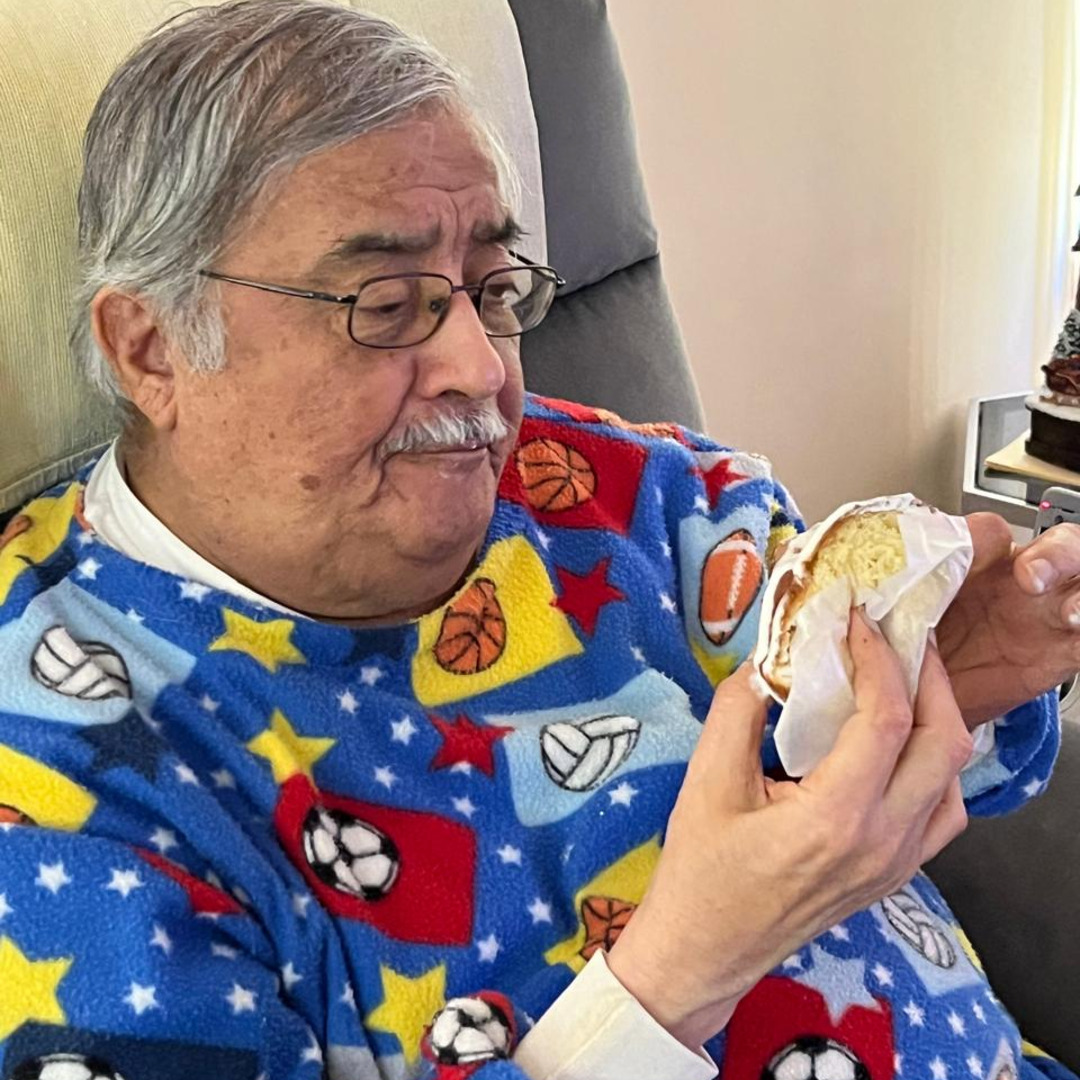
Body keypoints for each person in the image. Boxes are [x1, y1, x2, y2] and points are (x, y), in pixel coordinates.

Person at [0, 3, 1078, 1079]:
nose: (482, 368)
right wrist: (677, 977)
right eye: (388, 304)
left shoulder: (642, 495)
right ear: (151, 348)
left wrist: (945, 672)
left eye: (494, 289)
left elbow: (851, 765)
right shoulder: (57, 776)